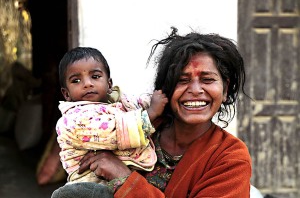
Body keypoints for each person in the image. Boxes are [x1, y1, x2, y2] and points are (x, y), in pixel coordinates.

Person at [78, 27, 252, 197]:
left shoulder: (231, 158)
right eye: (182, 80)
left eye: (207, 79)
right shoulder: (130, 129)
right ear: (166, 88)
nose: (196, 90)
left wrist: (123, 178)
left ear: (225, 90)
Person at [51, 47, 168, 198]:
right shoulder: (72, 120)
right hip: (89, 184)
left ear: (109, 84)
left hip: (117, 178)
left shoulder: (117, 103)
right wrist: (151, 114)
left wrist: (157, 99)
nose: (87, 84)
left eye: (95, 76)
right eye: (76, 80)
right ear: (66, 93)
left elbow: (137, 105)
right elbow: (113, 132)